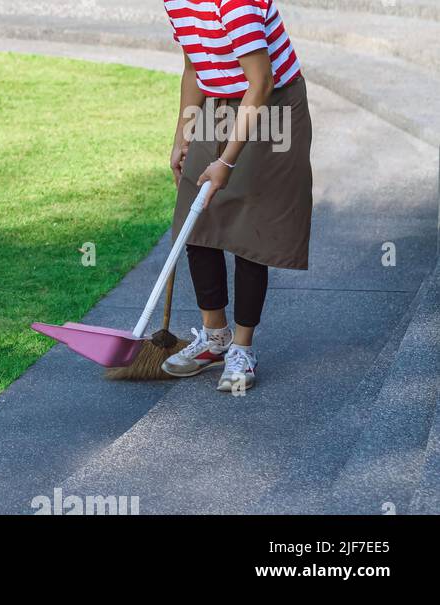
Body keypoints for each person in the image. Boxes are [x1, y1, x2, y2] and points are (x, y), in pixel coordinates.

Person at [159, 0, 313, 392]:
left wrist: (226, 162)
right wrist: (183, 135)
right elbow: (194, 66)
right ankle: (215, 338)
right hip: (219, 101)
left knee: (250, 227)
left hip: (273, 104)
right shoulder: (176, 2)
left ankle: (242, 349)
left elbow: (260, 83)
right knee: (198, 217)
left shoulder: (236, 4)